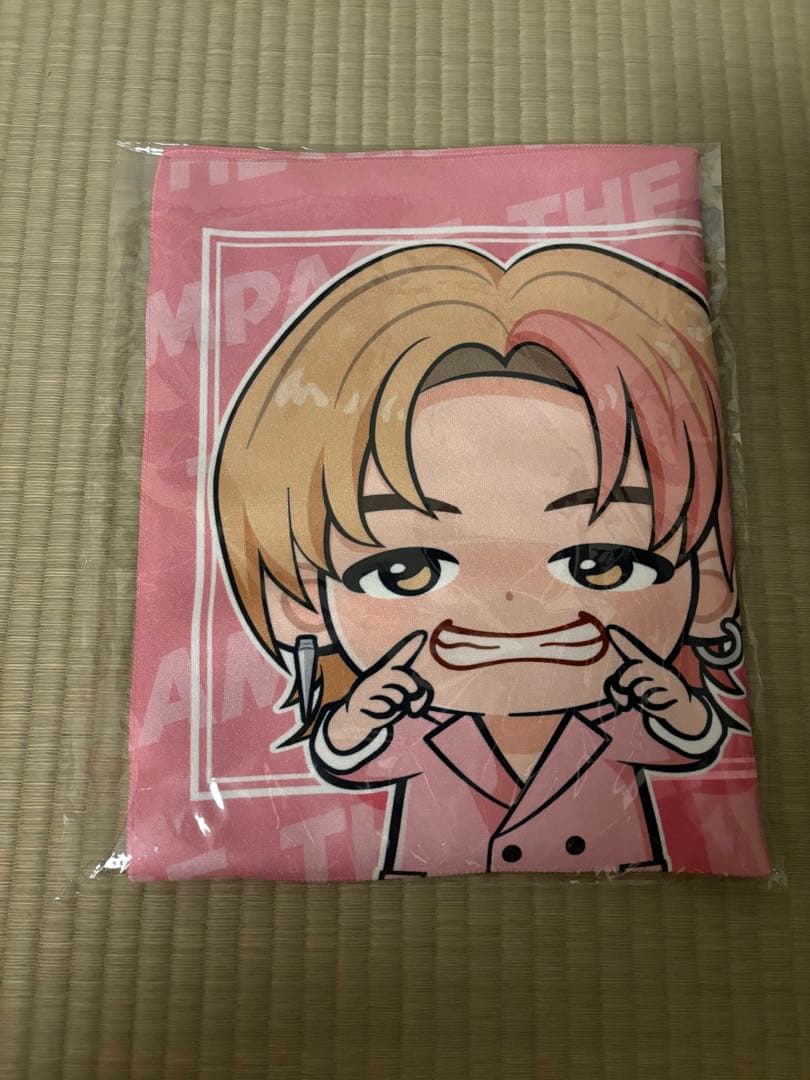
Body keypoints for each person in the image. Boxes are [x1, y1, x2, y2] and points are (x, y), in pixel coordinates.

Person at [214, 244, 746, 877]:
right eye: (405, 570)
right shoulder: (411, 719)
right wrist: (356, 715)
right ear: (299, 601)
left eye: (602, 562)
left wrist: (675, 704)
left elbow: (691, 743)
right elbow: (346, 759)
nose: (509, 606)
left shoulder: (621, 711)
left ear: (709, 580)